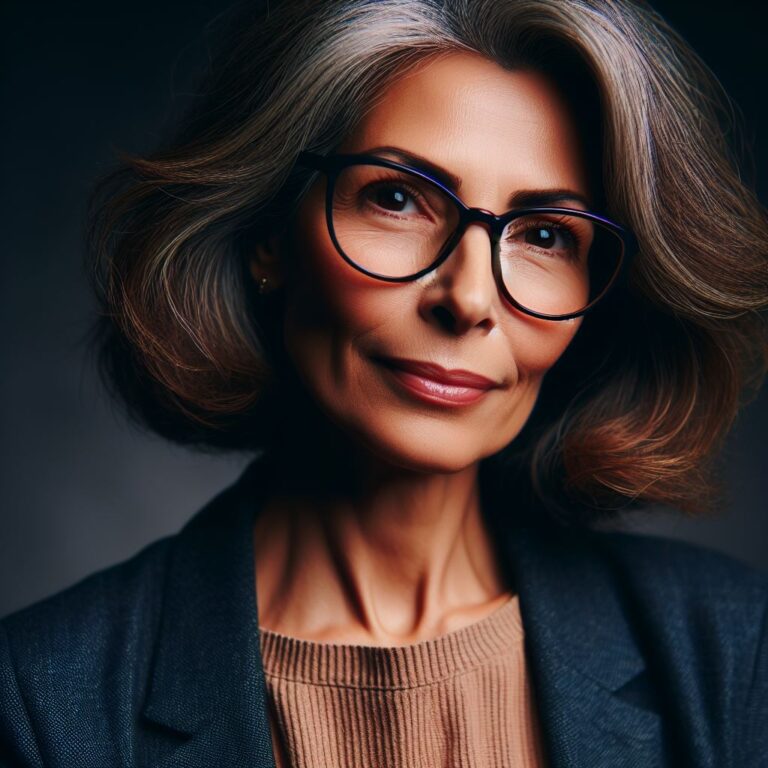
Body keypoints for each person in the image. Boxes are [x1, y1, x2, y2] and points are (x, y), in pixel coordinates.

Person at [1, 0, 766, 766]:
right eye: (397, 198)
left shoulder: (733, 651)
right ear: (271, 235)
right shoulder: (40, 701)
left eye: (545, 236)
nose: (467, 298)